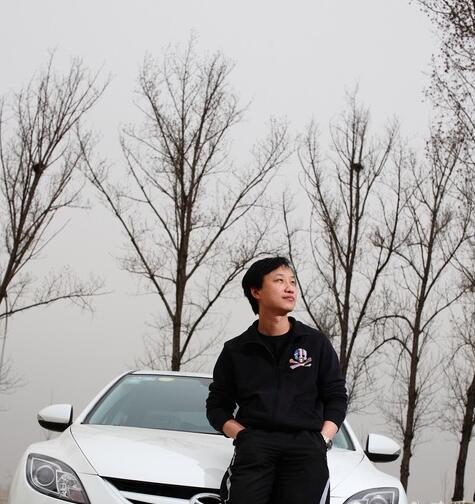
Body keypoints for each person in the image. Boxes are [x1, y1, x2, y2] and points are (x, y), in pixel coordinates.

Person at [206, 256, 348, 504]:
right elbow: (216, 406)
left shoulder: (316, 343)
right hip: (255, 448)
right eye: (279, 281)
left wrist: (322, 439)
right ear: (256, 291)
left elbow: (336, 396)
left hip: (306, 450)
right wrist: (243, 436)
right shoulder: (236, 350)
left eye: (292, 282)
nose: (290, 288)